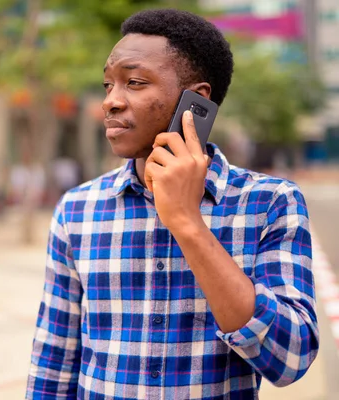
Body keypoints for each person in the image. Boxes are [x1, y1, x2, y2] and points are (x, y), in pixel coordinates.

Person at [26, 9, 318, 400]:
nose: (110, 102)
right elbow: (53, 363)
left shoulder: (270, 203)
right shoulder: (78, 208)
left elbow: (291, 360)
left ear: (194, 102)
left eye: (134, 82)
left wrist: (187, 222)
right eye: (107, 85)